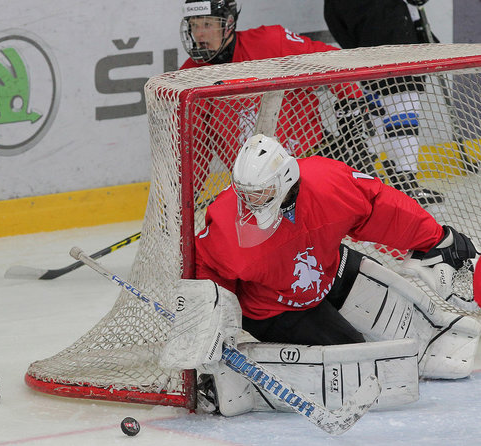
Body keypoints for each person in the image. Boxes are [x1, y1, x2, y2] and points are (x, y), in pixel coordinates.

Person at [183, 133, 480, 415]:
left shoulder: (327, 183)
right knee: (360, 368)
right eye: (245, 194)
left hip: (330, 268)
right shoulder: (226, 223)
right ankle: (235, 385)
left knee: (422, 330)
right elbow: (208, 272)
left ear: (286, 179)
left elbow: (379, 208)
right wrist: (213, 326)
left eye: (261, 193)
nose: (250, 203)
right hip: (275, 309)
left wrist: (436, 240)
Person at [179, 0, 439, 206]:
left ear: (228, 24)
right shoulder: (190, 78)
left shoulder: (270, 42)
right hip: (257, 186)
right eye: (194, 25)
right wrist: (184, 203)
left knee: (365, 209)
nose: (199, 34)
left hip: (312, 161)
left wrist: (351, 102)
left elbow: (331, 61)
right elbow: (197, 150)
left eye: (207, 24)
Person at [323, 0, 444, 204]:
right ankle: (405, 179)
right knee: (403, 96)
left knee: (378, 97)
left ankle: (359, 172)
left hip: (340, 11)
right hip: (382, 13)